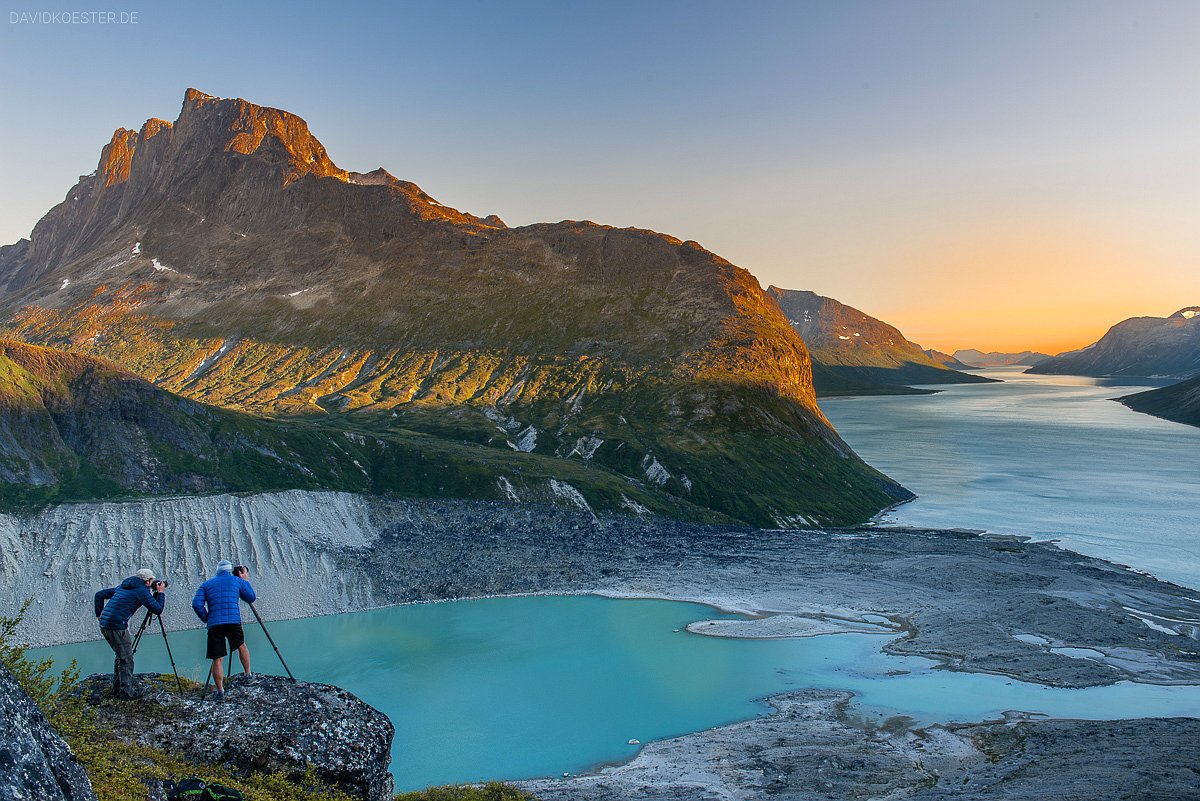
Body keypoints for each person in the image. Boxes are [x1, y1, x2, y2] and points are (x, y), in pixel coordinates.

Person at [94, 568, 167, 699]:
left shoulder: (123, 586)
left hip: (105, 624)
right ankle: (126, 694)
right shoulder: (141, 591)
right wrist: (160, 593)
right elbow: (158, 609)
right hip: (116, 626)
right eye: (151, 581)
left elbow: (99, 595)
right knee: (127, 659)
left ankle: (117, 688)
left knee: (121, 655)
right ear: (147, 581)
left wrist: (99, 615)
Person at [192, 559, 256, 701]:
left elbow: (196, 604)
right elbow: (251, 597)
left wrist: (207, 618)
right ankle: (248, 675)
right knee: (241, 645)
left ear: (217, 571)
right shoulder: (236, 581)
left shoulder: (206, 584)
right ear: (230, 570)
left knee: (217, 658)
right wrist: (245, 580)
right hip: (233, 621)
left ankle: (220, 691)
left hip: (215, 624)